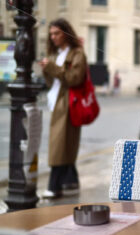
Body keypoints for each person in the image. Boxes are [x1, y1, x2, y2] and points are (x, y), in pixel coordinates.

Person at [39, 18, 87, 198]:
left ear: (66, 33)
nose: (53, 37)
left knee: (59, 144)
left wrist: (52, 68)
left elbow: (75, 78)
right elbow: (52, 82)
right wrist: (47, 70)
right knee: (64, 143)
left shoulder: (77, 54)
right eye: (51, 34)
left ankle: (54, 185)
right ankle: (71, 181)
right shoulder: (55, 54)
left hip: (69, 104)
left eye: (57, 33)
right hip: (56, 102)